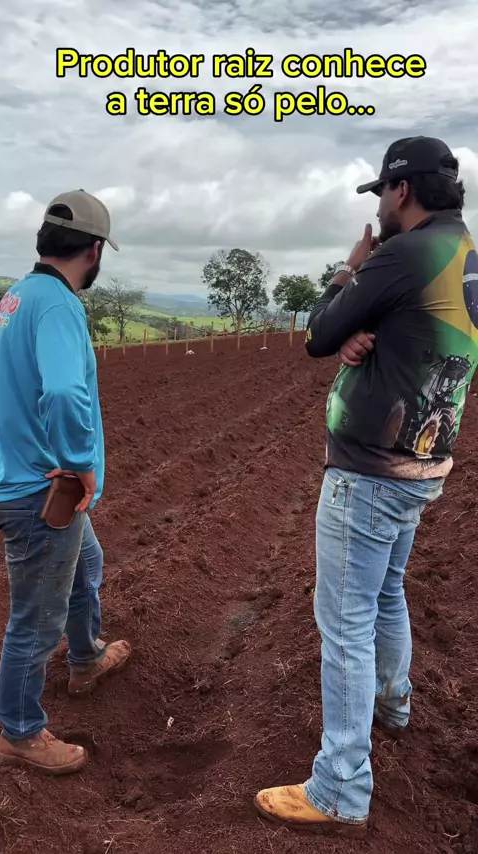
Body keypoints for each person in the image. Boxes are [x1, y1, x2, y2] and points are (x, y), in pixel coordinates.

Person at [254, 136, 478, 837]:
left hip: (372, 471)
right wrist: (372, 331)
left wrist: (349, 274)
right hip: (423, 463)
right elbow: (422, 331)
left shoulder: (402, 252)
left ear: (401, 190)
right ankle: (393, 702)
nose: (379, 206)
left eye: (382, 192)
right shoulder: (465, 252)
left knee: (345, 622)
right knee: (386, 592)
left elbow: (319, 334)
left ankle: (340, 788)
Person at [0, 190, 131, 775]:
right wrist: (80, 463)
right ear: (94, 250)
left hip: (21, 475)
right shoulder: (58, 305)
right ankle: (19, 732)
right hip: (40, 490)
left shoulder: (14, 298)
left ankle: (86, 656)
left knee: (87, 562)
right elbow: (60, 389)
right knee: (34, 619)